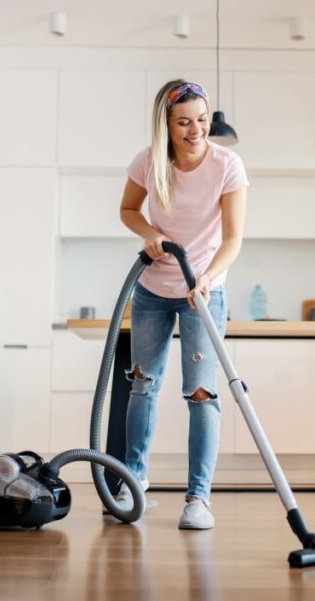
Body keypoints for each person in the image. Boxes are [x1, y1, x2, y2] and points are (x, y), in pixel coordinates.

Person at [116, 79, 248, 529]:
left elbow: (233, 239)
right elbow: (129, 210)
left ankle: (198, 499)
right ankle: (133, 483)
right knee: (142, 385)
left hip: (203, 292)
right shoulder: (148, 163)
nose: (196, 131)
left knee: (201, 393)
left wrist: (208, 278)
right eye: (184, 122)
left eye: (203, 120)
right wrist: (150, 234)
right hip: (152, 289)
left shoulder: (227, 165)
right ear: (166, 125)